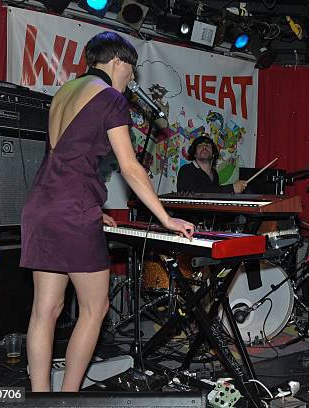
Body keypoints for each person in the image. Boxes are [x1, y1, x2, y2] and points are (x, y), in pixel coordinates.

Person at [20, 32, 194, 392]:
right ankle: (68, 396)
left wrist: (91, 209)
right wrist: (166, 218)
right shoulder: (111, 98)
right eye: (130, 74)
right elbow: (130, 167)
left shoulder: (64, 93)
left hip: (42, 205)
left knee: (44, 311)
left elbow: (64, 160)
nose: (130, 84)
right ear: (117, 62)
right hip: (72, 209)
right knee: (95, 309)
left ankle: (40, 398)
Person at [177, 135, 248, 193]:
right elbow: (196, 193)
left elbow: (214, 197)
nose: (204, 147)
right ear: (194, 154)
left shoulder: (214, 174)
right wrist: (231, 188)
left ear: (213, 154)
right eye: (200, 146)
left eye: (208, 145)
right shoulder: (186, 170)